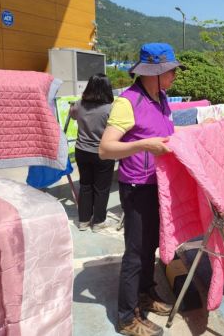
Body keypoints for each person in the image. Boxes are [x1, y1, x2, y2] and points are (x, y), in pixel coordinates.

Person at [99, 43, 185, 336]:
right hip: (137, 185)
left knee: (152, 246)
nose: (175, 74)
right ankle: (126, 317)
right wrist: (142, 145)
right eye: (170, 70)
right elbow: (105, 149)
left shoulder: (161, 97)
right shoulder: (128, 102)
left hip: (158, 184)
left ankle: (146, 295)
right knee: (136, 253)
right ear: (154, 73)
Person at [70, 73, 116, 232]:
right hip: (103, 152)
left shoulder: (78, 104)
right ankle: (98, 222)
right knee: (101, 188)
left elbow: (73, 116)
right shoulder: (110, 108)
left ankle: (83, 221)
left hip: (81, 150)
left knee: (85, 185)